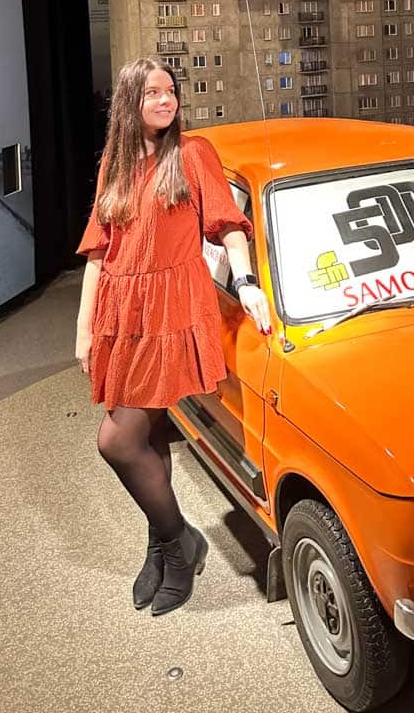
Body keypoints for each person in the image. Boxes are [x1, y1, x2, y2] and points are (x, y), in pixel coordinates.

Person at [74, 58, 270, 617]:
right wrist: (85, 328)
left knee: (117, 441)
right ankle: (162, 543)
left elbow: (228, 224)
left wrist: (248, 280)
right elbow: (97, 251)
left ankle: (180, 543)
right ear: (130, 102)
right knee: (148, 436)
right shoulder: (115, 160)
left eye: (171, 91)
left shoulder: (192, 154)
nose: (166, 101)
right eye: (153, 93)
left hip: (170, 312)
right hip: (122, 312)